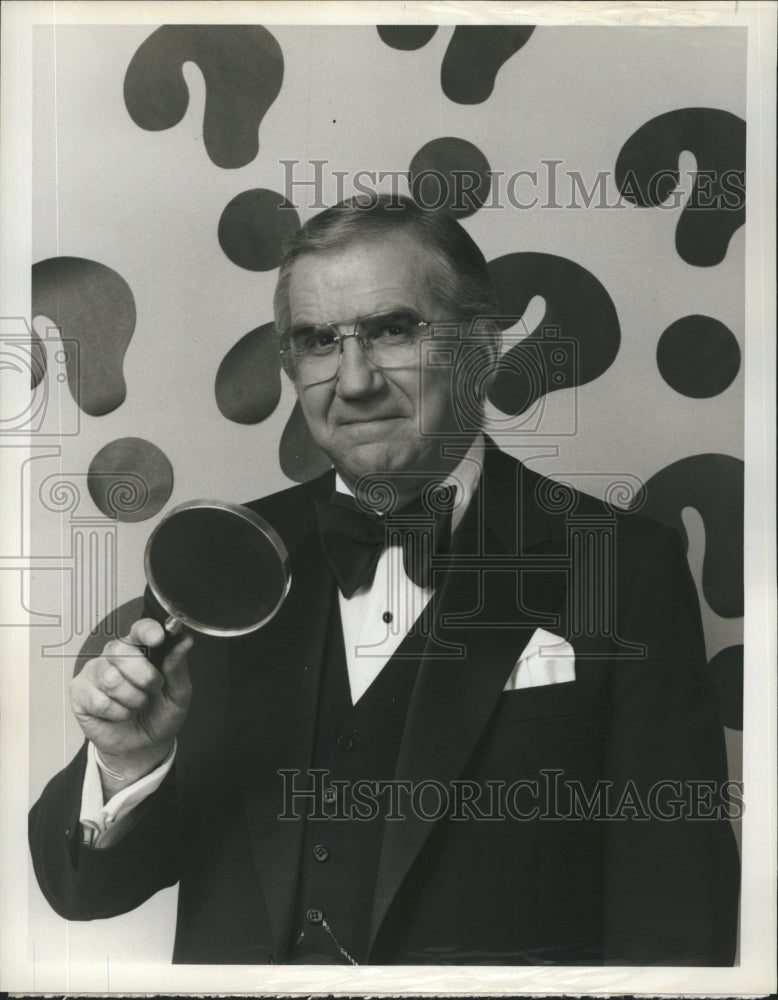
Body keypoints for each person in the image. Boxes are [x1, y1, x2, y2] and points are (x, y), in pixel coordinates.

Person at [29, 195, 740, 966]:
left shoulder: (622, 565)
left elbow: (677, 914)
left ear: (482, 347)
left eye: (394, 330)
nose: (355, 379)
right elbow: (85, 892)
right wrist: (129, 765)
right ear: (291, 365)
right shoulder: (219, 558)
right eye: (318, 342)